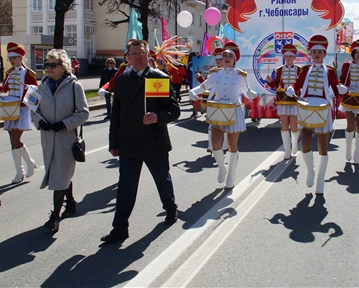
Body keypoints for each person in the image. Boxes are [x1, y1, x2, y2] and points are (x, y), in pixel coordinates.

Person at [101, 39, 180, 243]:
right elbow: (116, 114)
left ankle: (170, 209)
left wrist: (158, 117)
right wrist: (113, 143)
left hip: (154, 142)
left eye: (142, 52)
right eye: (133, 53)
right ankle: (120, 228)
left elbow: (173, 110)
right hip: (128, 143)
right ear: (127, 57)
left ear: (148, 55)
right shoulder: (123, 80)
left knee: (163, 181)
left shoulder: (157, 78)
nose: (138, 56)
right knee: (126, 187)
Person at [32, 49, 89, 232]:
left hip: (66, 139)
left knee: (59, 176)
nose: (49, 68)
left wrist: (64, 124)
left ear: (63, 67)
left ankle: (55, 216)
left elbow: (83, 113)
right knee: (60, 174)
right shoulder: (41, 86)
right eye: (46, 64)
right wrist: (40, 123)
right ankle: (70, 202)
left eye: (53, 64)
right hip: (48, 138)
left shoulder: (74, 86)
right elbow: (34, 111)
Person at [189, 42, 257, 189]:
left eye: (230, 56)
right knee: (215, 145)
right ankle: (221, 167)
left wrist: (251, 94)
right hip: (217, 110)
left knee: (232, 146)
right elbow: (204, 86)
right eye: (224, 55)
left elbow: (246, 91)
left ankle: (231, 176)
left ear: (235, 59)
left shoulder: (240, 75)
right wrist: (194, 91)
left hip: (234, 110)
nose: (226, 58)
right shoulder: (215, 73)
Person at [286, 35, 347, 195]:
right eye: (314, 52)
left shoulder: (330, 71)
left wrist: (340, 89)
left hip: (322, 110)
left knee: (322, 147)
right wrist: (292, 88)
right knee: (305, 145)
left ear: (325, 54)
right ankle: (310, 170)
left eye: (320, 52)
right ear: (310, 54)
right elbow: (297, 84)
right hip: (306, 109)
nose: (317, 54)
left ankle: (321, 179)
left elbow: (335, 87)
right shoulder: (305, 69)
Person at [0, 42, 38, 184]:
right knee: (12, 142)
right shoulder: (9, 73)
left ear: (21, 58)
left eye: (14, 58)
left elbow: (36, 91)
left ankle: (29, 163)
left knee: (16, 140)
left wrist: (30, 87)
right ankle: (19, 172)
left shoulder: (28, 73)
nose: (12, 61)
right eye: (10, 58)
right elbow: (4, 88)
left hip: (22, 109)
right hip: (10, 109)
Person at [266, 44, 302, 160]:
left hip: (294, 99)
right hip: (283, 99)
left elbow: (301, 85)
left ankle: (295, 143)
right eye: (286, 56)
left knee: (294, 125)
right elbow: (276, 85)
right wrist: (270, 81)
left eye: (290, 56)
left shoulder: (300, 69)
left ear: (294, 57)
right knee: (284, 124)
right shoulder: (280, 69)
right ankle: (287, 150)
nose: (288, 58)